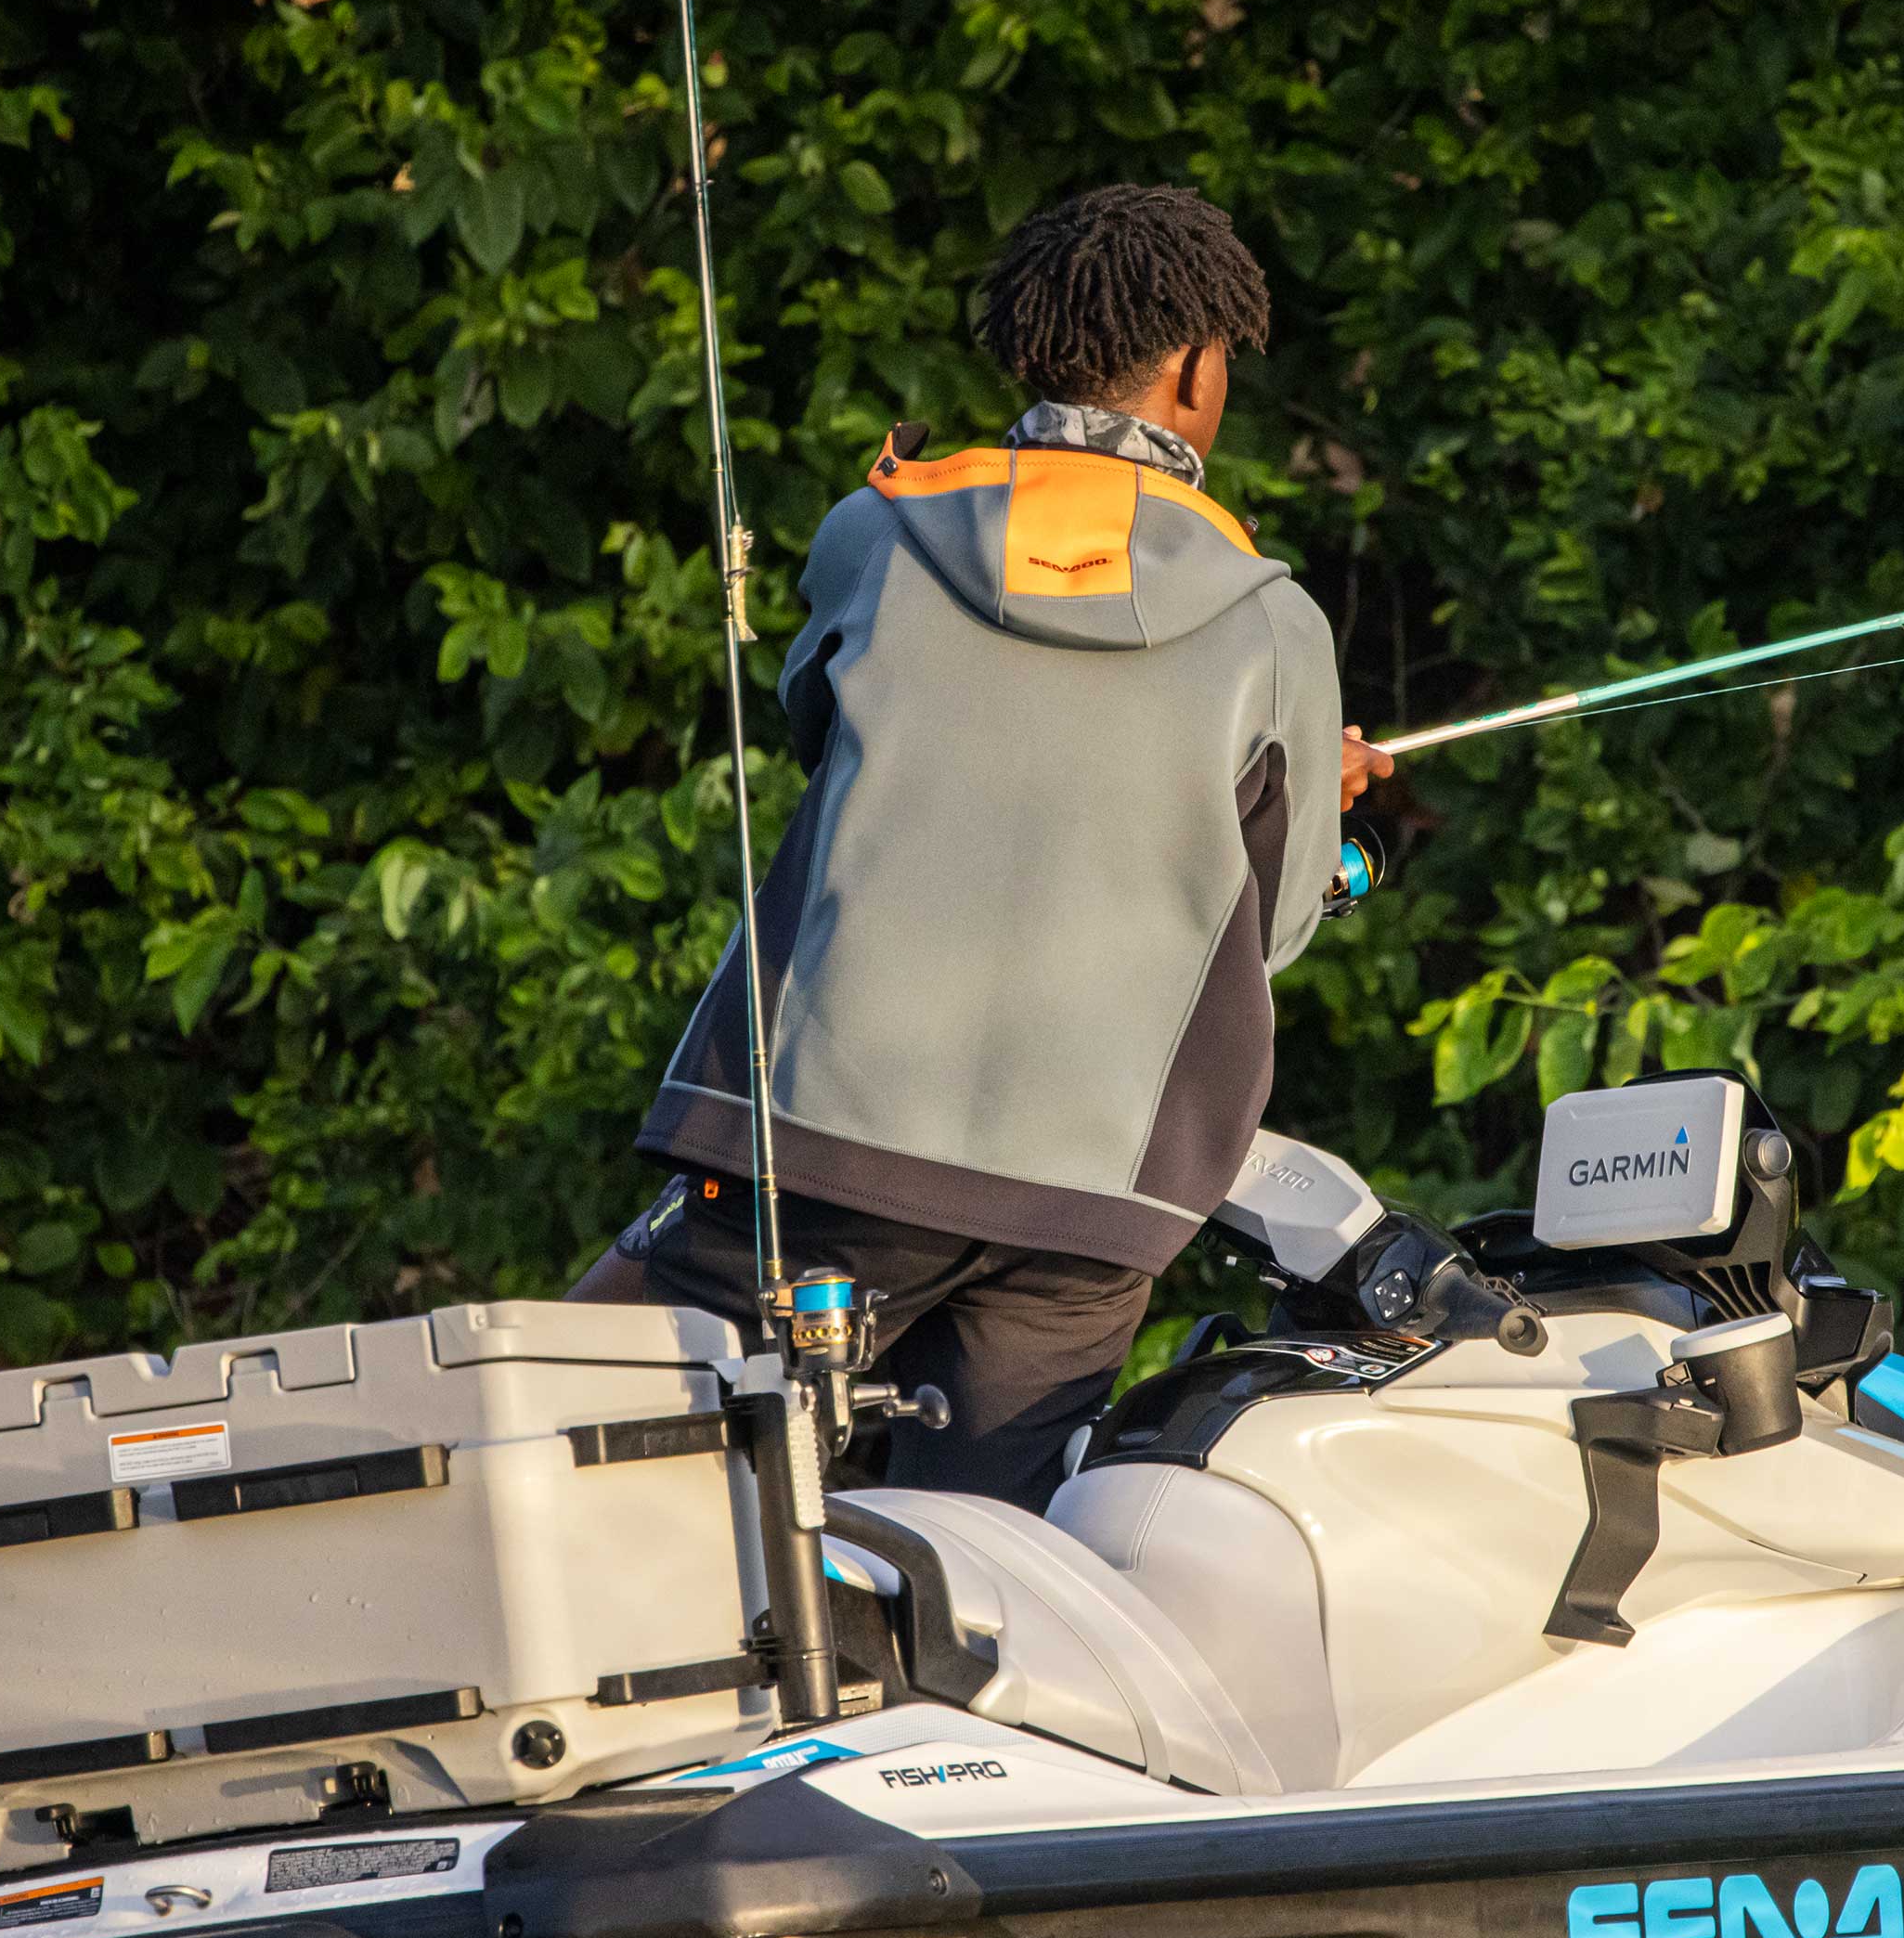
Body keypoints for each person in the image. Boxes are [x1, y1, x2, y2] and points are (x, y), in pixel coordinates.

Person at [575, 183, 1392, 1508]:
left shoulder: (875, 538)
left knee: (609, 1462)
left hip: (826, 1145)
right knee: (977, 1563)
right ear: (1193, 373)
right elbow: (1278, 926)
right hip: (1094, 1206)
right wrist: (1320, 808)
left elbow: (826, 742)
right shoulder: (1274, 626)